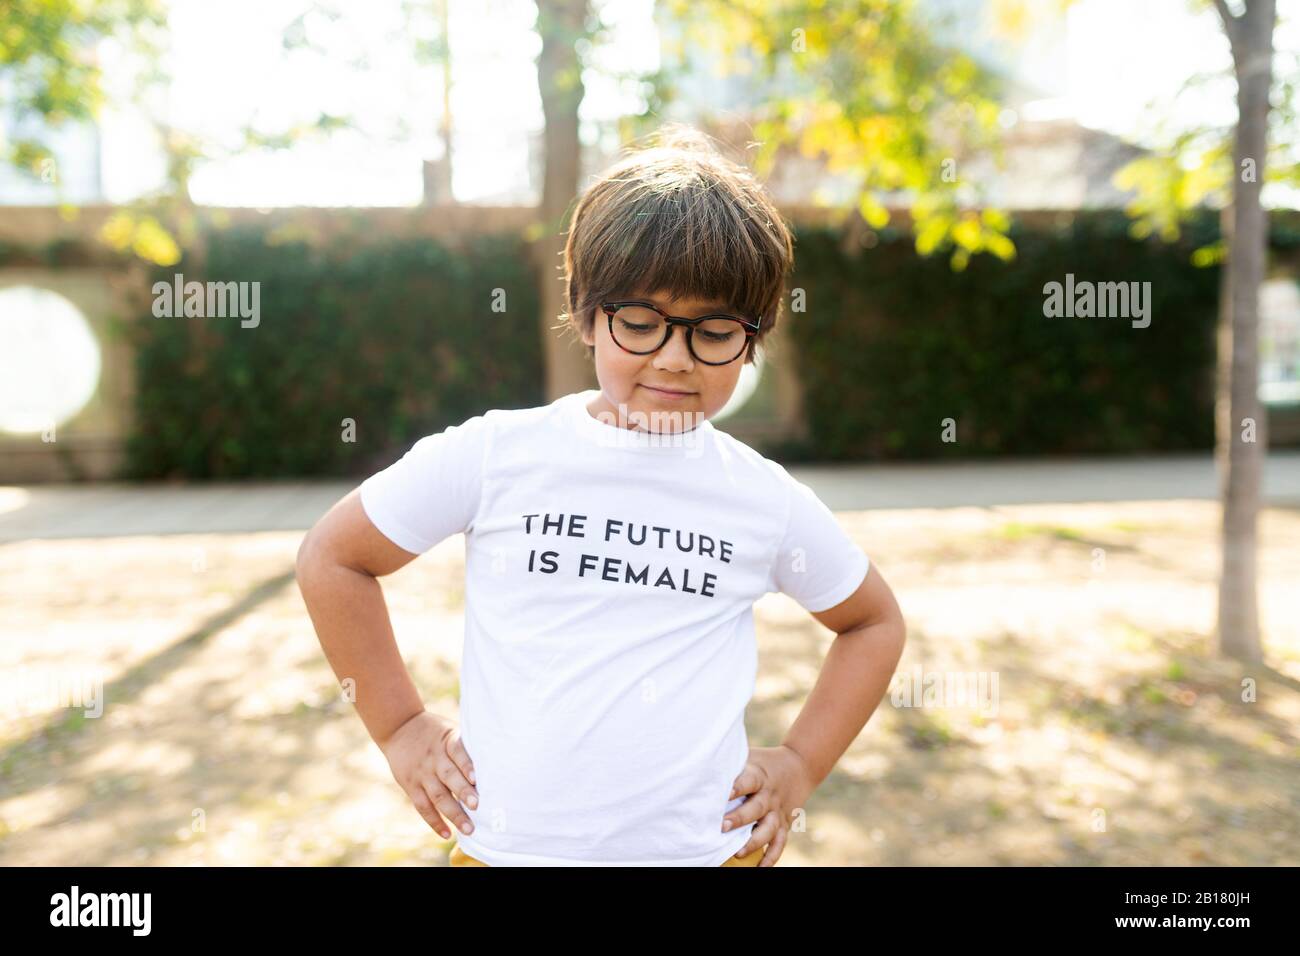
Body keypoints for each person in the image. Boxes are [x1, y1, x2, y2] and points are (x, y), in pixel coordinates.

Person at [295, 124, 907, 867]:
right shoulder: (497, 455)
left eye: (714, 331)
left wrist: (801, 764)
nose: (674, 358)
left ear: (753, 340)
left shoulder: (762, 498)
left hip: (701, 855)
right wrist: (401, 728)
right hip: (508, 854)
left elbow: (872, 623)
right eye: (641, 322)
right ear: (587, 315)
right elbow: (334, 557)